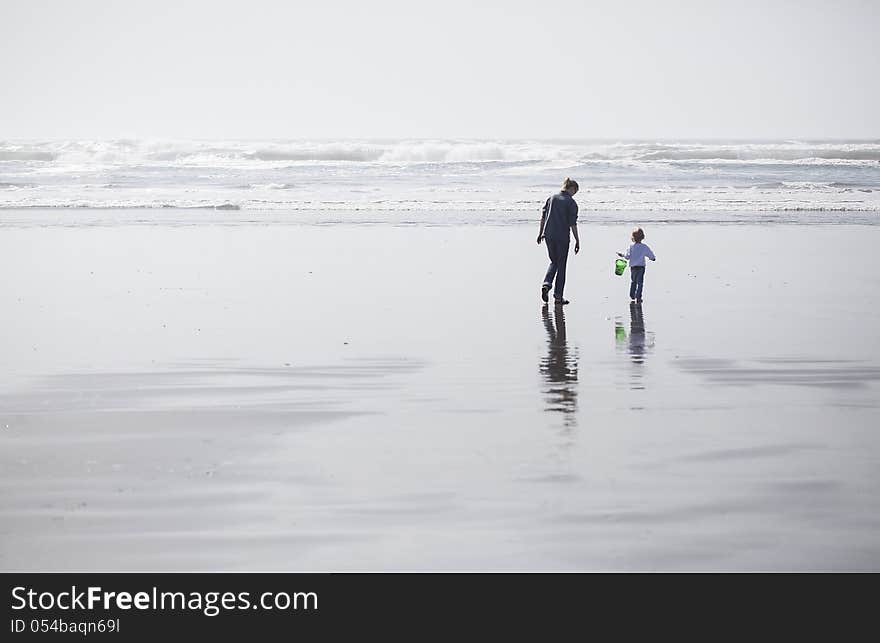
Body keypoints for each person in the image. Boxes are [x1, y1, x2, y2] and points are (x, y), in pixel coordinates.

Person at [537, 178, 580, 305]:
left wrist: (540, 233)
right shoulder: (571, 203)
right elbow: (573, 223)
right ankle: (558, 296)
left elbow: (543, 217)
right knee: (561, 266)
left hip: (548, 235)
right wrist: (577, 240)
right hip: (562, 237)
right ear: (571, 188)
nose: (574, 194)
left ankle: (547, 283)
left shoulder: (551, 198)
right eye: (575, 192)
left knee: (553, 261)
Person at [617, 227, 656, 303]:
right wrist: (653, 258)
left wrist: (622, 255)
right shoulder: (644, 247)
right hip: (641, 267)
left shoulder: (631, 247)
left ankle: (632, 295)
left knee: (633, 281)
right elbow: (650, 254)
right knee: (640, 282)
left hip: (633, 267)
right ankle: (638, 296)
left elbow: (627, 256)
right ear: (643, 237)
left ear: (633, 238)